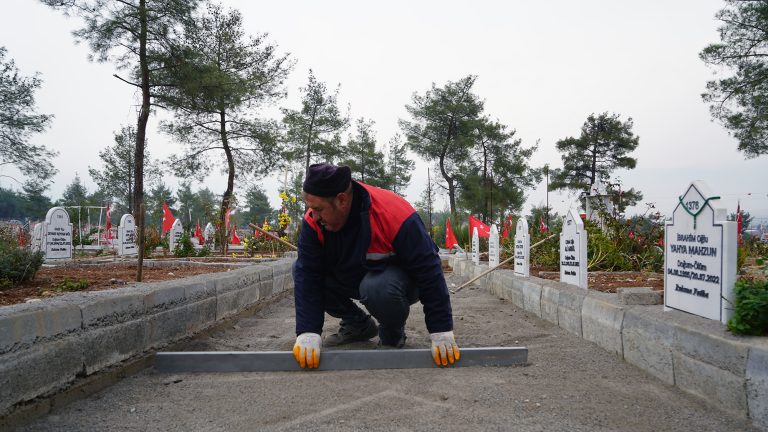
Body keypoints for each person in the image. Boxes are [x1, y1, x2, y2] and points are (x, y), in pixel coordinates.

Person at [292, 163, 460, 369]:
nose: (314, 216)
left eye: (318, 209)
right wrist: (308, 332)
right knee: (299, 269)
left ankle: (392, 332)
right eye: (311, 209)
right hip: (354, 276)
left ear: (341, 200)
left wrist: (441, 330)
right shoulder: (313, 222)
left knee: (377, 287)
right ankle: (358, 324)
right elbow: (308, 275)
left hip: (397, 282)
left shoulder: (393, 214)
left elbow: (428, 270)